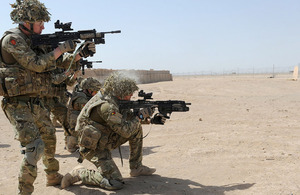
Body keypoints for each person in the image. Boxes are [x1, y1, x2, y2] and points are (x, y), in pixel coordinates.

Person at [0, 0, 88, 194]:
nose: (43, 26)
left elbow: (56, 62)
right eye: (40, 22)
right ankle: (24, 191)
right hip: (16, 103)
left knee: (49, 137)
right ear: (27, 21)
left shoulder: (34, 40)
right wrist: (60, 49)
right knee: (35, 147)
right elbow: (37, 64)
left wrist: (78, 55)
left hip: (36, 100)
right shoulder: (12, 40)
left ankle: (52, 175)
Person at [61, 72, 166, 190]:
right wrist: (140, 116)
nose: (131, 95)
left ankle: (136, 167)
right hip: (92, 146)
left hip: (104, 138)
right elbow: (125, 130)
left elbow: (127, 119)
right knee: (115, 182)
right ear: (120, 92)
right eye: (128, 93)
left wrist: (150, 120)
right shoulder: (107, 106)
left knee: (136, 129)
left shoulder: (114, 98)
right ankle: (79, 173)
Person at [66, 77, 102, 152]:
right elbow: (92, 111)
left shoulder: (84, 95)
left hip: (76, 124)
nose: (96, 94)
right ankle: (72, 142)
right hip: (75, 127)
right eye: (95, 92)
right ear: (88, 90)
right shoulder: (81, 99)